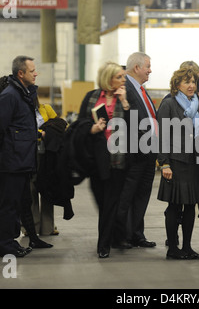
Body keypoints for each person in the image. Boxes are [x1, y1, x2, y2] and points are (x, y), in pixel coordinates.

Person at [0, 56, 52, 258]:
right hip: (12, 161)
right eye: (32, 70)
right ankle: (4, 246)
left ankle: (11, 242)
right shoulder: (10, 95)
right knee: (8, 206)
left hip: (21, 160)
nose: (36, 73)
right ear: (20, 74)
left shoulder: (22, 94)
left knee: (18, 204)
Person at [157, 66, 199, 260]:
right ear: (177, 85)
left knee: (191, 206)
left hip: (194, 162)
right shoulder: (169, 104)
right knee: (175, 207)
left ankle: (187, 247)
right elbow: (162, 136)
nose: (191, 85)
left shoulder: (198, 104)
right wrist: (164, 163)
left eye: (193, 82)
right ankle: (173, 248)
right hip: (175, 163)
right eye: (187, 82)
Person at [78, 61, 131, 258]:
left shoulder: (126, 98)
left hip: (118, 159)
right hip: (96, 159)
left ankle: (104, 245)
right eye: (119, 77)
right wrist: (92, 129)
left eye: (124, 77)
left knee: (110, 202)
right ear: (108, 80)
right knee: (102, 201)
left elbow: (136, 126)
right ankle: (117, 234)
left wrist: (125, 103)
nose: (123, 80)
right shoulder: (92, 97)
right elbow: (79, 126)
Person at [112, 52, 157, 249]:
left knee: (141, 195)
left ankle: (136, 234)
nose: (150, 70)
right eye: (147, 66)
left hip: (148, 151)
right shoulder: (125, 87)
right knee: (126, 196)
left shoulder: (140, 89)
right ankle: (120, 235)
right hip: (134, 153)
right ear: (137, 68)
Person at [30, 95, 59, 236]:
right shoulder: (21, 111)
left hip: (46, 155)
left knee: (47, 189)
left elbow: (60, 125)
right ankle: (32, 228)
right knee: (31, 191)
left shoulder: (46, 109)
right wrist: (40, 133)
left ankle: (48, 227)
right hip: (29, 155)